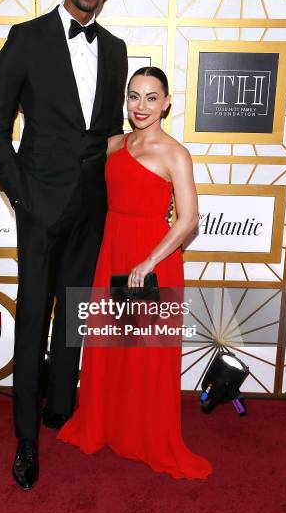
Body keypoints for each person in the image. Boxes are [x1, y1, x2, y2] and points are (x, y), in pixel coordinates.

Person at [0, 0, 128, 490]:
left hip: (93, 209)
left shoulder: (115, 49)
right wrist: (21, 196)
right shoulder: (27, 39)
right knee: (33, 321)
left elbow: (109, 136)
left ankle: (60, 406)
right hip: (40, 207)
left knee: (73, 315)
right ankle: (26, 438)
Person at [58, 67, 212, 480]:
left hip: (154, 259)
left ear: (166, 103)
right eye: (133, 97)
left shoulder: (174, 153)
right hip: (113, 249)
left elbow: (189, 220)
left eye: (150, 97)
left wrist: (148, 261)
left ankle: (143, 434)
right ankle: (107, 424)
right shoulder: (115, 144)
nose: (140, 106)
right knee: (110, 347)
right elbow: (71, 158)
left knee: (146, 356)